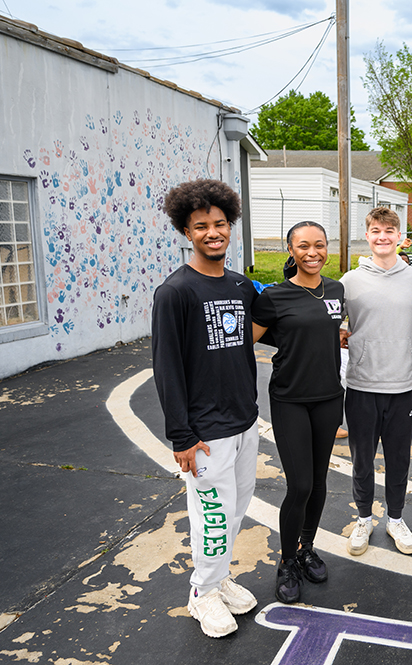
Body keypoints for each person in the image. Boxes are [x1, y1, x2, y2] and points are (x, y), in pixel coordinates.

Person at [151, 179, 259, 638]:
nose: (213, 232)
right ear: (186, 231)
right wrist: (182, 436)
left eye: (219, 224)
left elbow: (269, 328)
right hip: (205, 431)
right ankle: (202, 592)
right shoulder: (174, 292)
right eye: (201, 226)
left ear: (230, 225)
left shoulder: (239, 285)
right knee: (212, 516)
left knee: (236, 510)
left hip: (245, 421)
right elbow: (167, 368)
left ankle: (219, 577)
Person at [251, 221, 345, 604]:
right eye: (303, 246)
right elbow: (243, 343)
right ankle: (287, 560)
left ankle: (307, 548)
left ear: (328, 248)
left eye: (319, 245)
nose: (312, 252)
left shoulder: (336, 290)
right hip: (290, 399)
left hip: (328, 397)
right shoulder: (274, 296)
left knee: (319, 482)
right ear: (290, 249)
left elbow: (330, 329)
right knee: (300, 485)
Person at [340, 207, 412, 556]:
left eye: (389, 231)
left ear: (400, 236)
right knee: (362, 460)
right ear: (368, 235)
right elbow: (332, 323)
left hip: (402, 385)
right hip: (361, 383)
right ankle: (364, 518)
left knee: (398, 459)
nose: (382, 237)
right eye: (376, 230)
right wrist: (342, 333)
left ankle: (395, 518)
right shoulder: (349, 281)